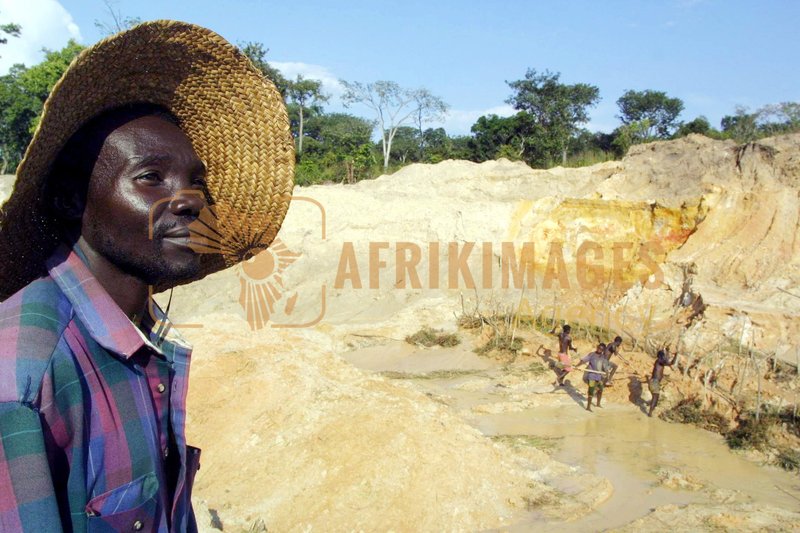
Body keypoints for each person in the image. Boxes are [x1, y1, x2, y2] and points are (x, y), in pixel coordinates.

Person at [0, 21, 294, 531]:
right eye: (150, 178)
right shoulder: (26, 374)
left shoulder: (139, 335)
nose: (189, 201)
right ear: (74, 200)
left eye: (196, 181)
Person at [576, 343, 610, 411]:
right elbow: (583, 360)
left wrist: (606, 371)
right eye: (598, 348)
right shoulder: (592, 354)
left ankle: (598, 404)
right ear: (597, 347)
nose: (599, 350)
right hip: (591, 375)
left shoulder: (603, 357)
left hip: (599, 376)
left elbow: (605, 365)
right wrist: (577, 366)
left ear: (603, 350)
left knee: (600, 390)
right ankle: (588, 407)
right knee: (591, 391)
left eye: (601, 349)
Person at [648, 347, 679, 417]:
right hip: (654, 382)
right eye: (664, 355)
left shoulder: (659, 361)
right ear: (661, 356)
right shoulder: (659, 361)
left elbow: (667, 360)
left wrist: (667, 352)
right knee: (655, 397)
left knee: (656, 397)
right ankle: (650, 413)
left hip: (655, 382)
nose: (665, 356)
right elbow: (671, 363)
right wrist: (676, 355)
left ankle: (651, 409)